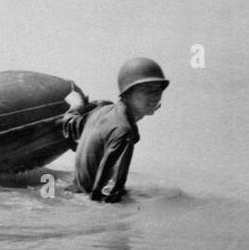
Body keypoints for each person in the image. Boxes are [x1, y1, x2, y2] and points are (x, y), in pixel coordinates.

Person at [60, 58, 168, 203]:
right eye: (146, 90)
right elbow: (110, 194)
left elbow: (72, 125)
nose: (155, 96)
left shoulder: (103, 110)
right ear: (127, 93)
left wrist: (76, 104)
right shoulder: (124, 131)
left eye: (158, 89)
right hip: (87, 204)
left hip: (73, 192)